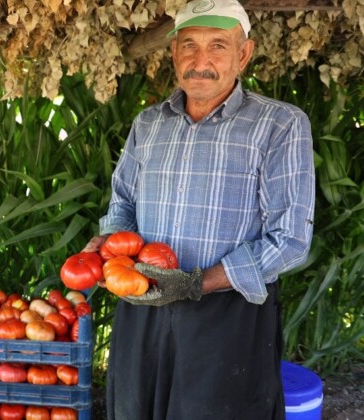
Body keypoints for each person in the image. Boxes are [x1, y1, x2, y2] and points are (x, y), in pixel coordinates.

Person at [83, 0, 316, 418]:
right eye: (189, 45)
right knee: (134, 410)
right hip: (143, 305)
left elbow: (291, 240)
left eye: (218, 46)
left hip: (228, 315)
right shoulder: (149, 124)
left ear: (243, 54)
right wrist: (110, 250)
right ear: (173, 52)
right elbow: (123, 204)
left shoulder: (280, 124)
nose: (200, 60)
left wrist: (197, 283)